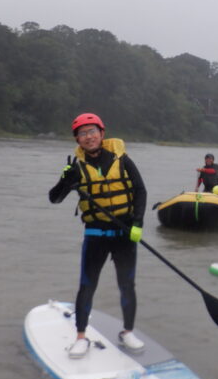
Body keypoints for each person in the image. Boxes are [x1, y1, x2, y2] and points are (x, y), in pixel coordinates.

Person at [48, 112, 147, 359]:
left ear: (102, 134)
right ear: (78, 140)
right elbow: (54, 198)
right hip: (95, 234)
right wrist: (65, 180)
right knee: (87, 285)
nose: (88, 137)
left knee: (127, 285)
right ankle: (81, 337)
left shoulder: (122, 160)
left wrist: (138, 223)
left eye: (92, 131)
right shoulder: (76, 167)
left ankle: (127, 332)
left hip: (124, 233)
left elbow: (140, 190)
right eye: (83, 133)